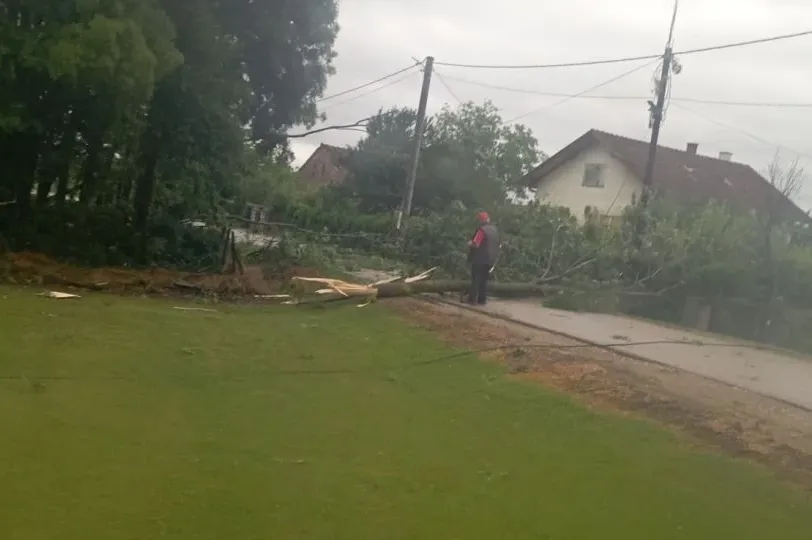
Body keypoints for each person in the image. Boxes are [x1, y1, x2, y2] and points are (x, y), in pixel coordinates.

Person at [467, 211, 500, 305]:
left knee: (476, 280)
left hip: (479, 259)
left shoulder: (482, 230)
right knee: (484, 281)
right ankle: (482, 300)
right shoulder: (494, 230)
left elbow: (476, 244)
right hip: (490, 260)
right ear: (488, 219)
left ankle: (472, 299)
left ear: (480, 220)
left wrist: (469, 244)